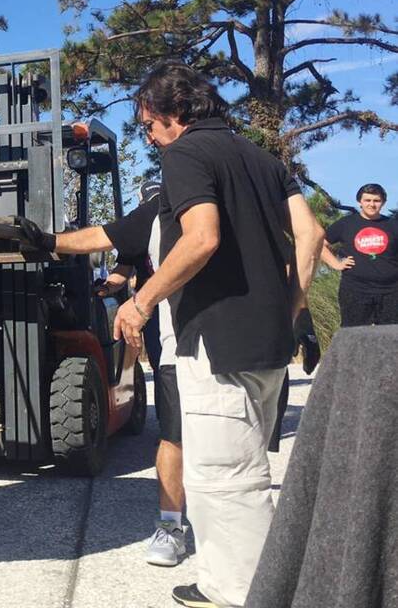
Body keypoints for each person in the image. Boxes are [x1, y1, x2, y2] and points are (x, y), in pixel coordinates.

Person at [109, 63, 323, 608]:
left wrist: (141, 301)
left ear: (173, 113)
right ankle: (240, 583)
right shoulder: (261, 158)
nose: (150, 136)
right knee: (248, 469)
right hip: (268, 342)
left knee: (225, 480)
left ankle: (241, 593)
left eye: (149, 125)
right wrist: (292, 305)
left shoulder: (185, 154)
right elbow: (311, 233)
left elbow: (201, 239)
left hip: (217, 339)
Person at [52, 177, 187, 567]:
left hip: (167, 308)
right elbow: (122, 267)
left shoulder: (190, 219)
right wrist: (103, 287)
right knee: (164, 370)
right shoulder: (143, 228)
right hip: (154, 310)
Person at [320, 183, 398, 326]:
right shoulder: (346, 223)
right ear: (360, 202)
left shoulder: (393, 225)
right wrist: (335, 263)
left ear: (383, 203)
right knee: (352, 336)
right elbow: (319, 244)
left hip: (391, 291)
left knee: (391, 339)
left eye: (376, 201)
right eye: (367, 200)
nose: (372, 204)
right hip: (355, 290)